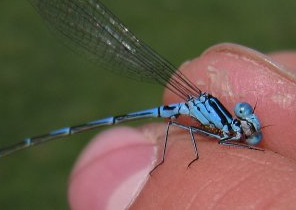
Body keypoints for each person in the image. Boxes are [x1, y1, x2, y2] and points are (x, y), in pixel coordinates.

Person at [68, 43, 296, 210]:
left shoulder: (229, 125)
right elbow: (202, 132)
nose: (244, 132)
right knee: (176, 127)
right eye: (245, 127)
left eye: (248, 131)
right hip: (184, 114)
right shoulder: (227, 126)